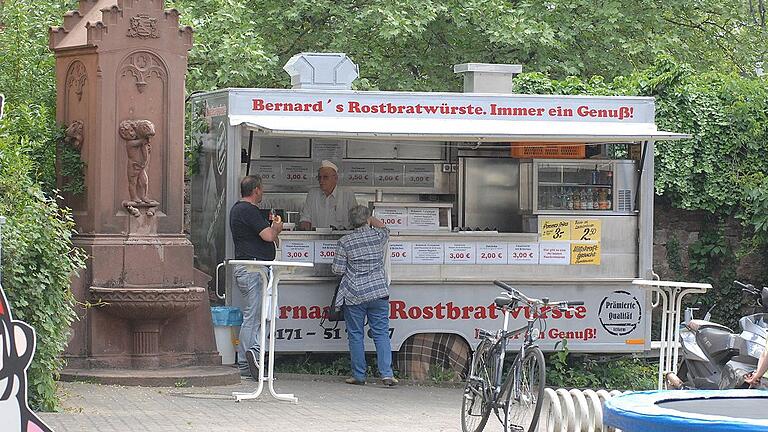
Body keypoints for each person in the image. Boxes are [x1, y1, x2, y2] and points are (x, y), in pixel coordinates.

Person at [331, 205, 398, 386]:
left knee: (355, 334)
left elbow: (337, 270)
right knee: (381, 334)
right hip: (378, 292)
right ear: (367, 220)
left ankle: (359, 375)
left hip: (355, 294)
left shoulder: (345, 242)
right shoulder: (378, 236)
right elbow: (386, 229)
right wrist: (371, 220)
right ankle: (387, 374)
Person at [230, 175, 283, 379]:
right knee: (256, 316)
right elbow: (268, 236)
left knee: (259, 314)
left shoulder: (237, 209)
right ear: (257, 190)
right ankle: (250, 356)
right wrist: (276, 228)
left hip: (249, 267)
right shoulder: (248, 210)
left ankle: (248, 360)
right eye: (262, 189)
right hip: (255, 268)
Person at [299, 160, 357, 230]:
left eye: (325, 177)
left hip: (343, 237)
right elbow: (305, 218)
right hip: (317, 239)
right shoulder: (313, 193)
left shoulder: (347, 193)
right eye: (319, 177)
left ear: (335, 178)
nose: (321, 181)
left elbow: (356, 220)